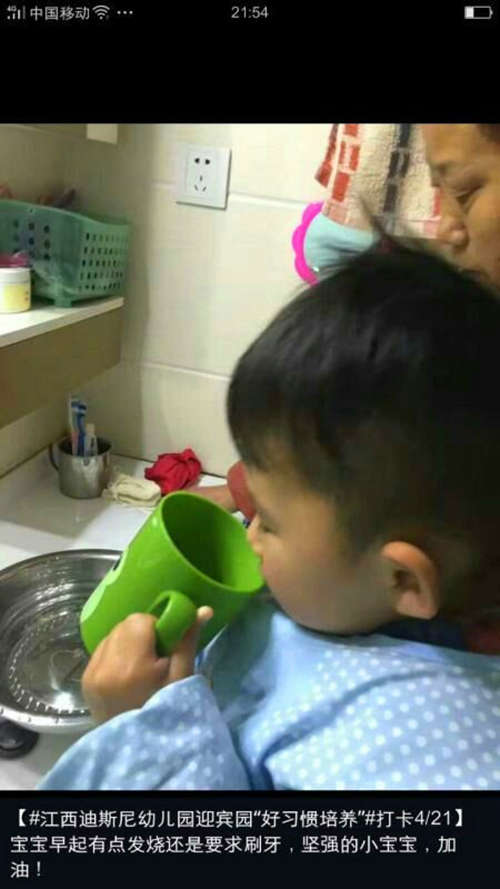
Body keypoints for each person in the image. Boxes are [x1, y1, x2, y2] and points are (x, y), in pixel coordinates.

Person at [39, 240, 500, 791]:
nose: (250, 535)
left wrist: (144, 734)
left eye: (270, 523)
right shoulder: (346, 594)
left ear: (402, 579)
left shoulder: (426, 762)